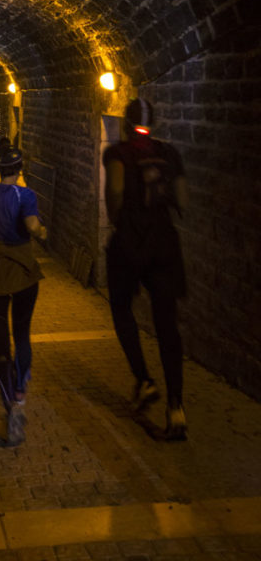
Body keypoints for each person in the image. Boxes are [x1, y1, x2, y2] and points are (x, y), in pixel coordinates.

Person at [103, 97, 188, 440]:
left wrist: (119, 222)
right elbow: (182, 201)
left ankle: (143, 379)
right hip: (165, 243)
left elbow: (116, 192)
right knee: (168, 326)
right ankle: (177, 408)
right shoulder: (169, 153)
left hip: (131, 242)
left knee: (122, 308)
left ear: (126, 123)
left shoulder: (118, 154)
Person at [0, 148, 47, 446]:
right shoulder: (25, 195)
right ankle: (20, 391)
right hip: (23, 270)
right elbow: (31, 226)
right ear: (19, 167)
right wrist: (42, 231)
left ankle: (10, 407)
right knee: (23, 334)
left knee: (1, 343)